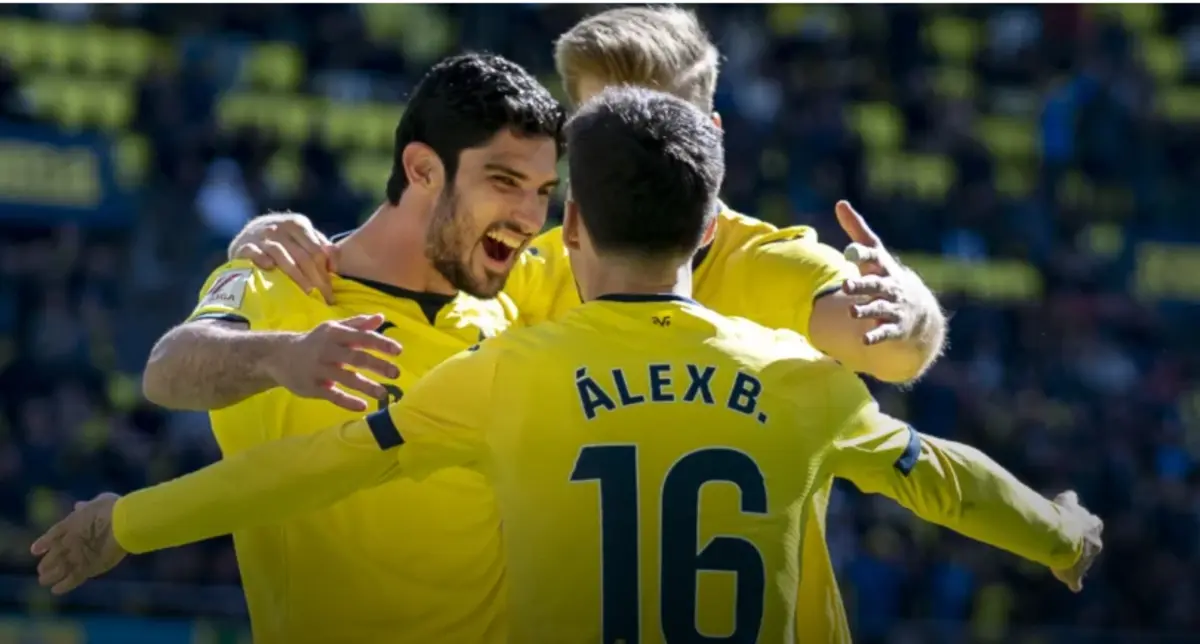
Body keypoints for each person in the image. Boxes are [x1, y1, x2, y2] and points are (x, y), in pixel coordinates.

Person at [33, 87, 1102, 643]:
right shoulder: (803, 382)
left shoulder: (513, 373)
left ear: (573, 221)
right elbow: (946, 476)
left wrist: (123, 522)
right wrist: (1060, 526)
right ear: (708, 234)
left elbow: (313, 467)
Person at [219, 7, 948, 640]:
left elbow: (886, 346)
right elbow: (413, 266)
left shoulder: (765, 263)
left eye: (655, 126)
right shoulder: (539, 268)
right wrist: (288, 239)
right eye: (603, 131)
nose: (631, 155)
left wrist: (911, 306)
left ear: (713, 139)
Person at [132, 52, 563, 644]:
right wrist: (280, 357)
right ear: (422, 170)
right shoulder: (287, 285)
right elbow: (167, 369)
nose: (530, 217)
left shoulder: (517, 304)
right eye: (504, 181)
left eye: (543, 191)